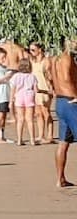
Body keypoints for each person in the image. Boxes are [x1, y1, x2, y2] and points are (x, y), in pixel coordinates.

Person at [50, 39, 77, 187]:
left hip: (60, 101)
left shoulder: (55, 59)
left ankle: (60, 179)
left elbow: (52, 78)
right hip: (70, 101)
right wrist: (75, 95)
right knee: (63, 142)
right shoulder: (67, 58)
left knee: (63, 142)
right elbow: (66, 78)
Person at [9, 57, 39, 146]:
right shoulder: (32, 76)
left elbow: (13, 89)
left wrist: (11, 101)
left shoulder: (16, 76)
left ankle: (19, 140)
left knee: (20, 119)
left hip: (19, 96)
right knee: (30, 120)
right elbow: (36, 90)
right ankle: (32, 140)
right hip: (29, 95)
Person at [30, 41, 54, 143]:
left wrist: (51, 89)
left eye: (33, 50)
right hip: (36, 90)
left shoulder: (46, 61)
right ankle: (41, 135)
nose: (31, 52)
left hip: (45, 90)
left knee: (46, 113)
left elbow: (50, 76)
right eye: (30, 50)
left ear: (39, 50)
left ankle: (50, 136)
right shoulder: (33, 61)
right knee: (38, 113)